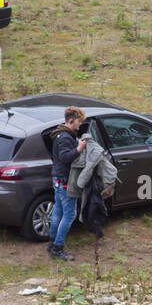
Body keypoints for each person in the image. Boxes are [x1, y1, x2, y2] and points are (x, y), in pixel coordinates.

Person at [48, 106, 88, 261]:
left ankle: (52, 243)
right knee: (70, 214)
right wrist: (79, 148)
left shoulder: (59, 134)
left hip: (57, 179)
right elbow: (65, 157)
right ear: (71, 120)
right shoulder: (65, 137)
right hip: (65, 181)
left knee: (58, 210)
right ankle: (58, 248)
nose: (80, 125)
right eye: (79, 121)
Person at [66, 130, 119, 240]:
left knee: (92, 203)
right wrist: (80, 183)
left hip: (96, 181)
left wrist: (80, 182)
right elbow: (89, 168)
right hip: (96, 182)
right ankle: (95, 228)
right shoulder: (92, 148)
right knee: (94, 204)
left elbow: (89, 167)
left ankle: (94, 228)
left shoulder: (93, 149)